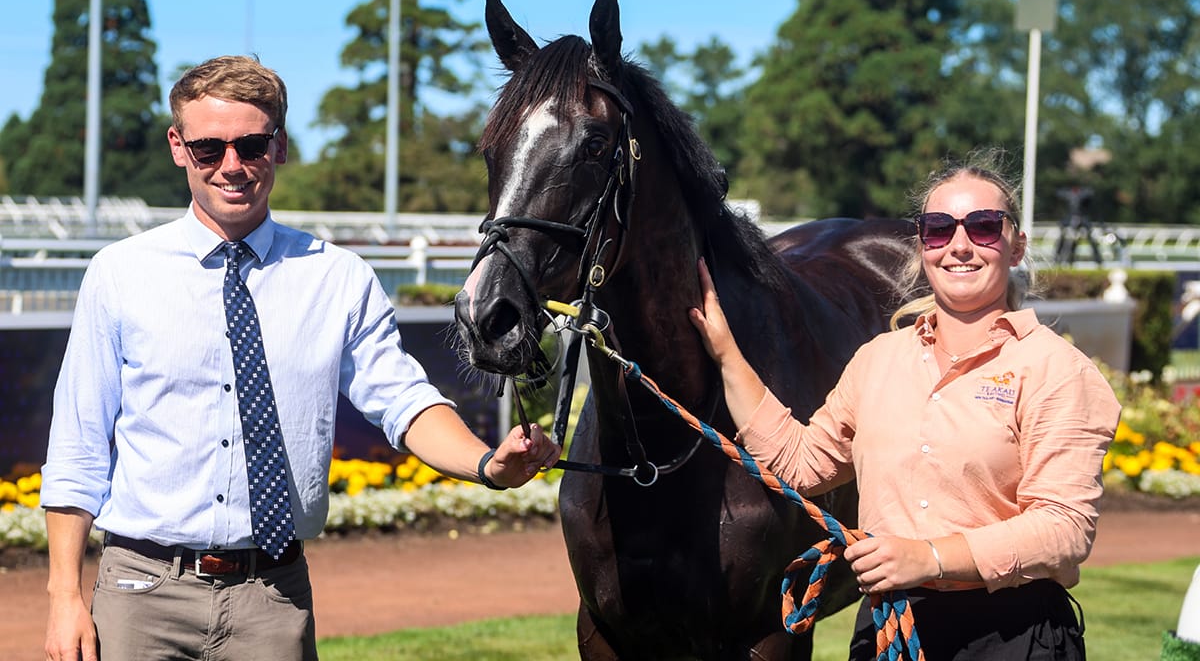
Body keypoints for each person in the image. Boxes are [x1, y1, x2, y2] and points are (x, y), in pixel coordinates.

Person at [41, 55, 560, 661]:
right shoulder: (119, 274)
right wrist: (63, 598)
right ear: (178, 148)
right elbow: (77, 446)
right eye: (209, 149)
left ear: (280, 147)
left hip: (273, 597)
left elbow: (404, 402)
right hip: (141, 593)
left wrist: (486, 465)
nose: (231, 166)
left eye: (252, 145)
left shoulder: (337, 277)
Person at [689, 151, 1121, 659]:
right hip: (888, 631)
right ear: (922, 246)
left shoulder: (1056, 369)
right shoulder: (878, 359)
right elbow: (799, 464)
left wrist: (930, 558)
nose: (959, 246)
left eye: (983, 226)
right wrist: (724, 351)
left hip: (1009, 635)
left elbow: (1063, 528)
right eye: (939, 229)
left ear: (1016, 245)